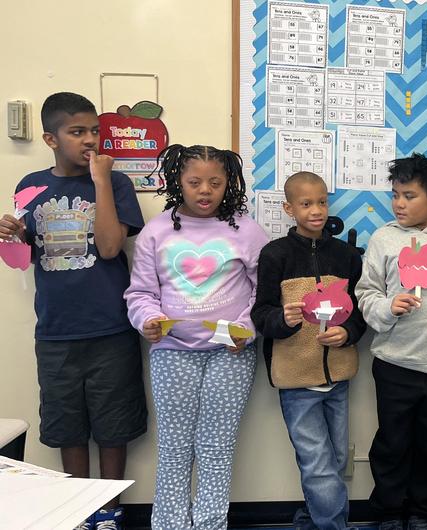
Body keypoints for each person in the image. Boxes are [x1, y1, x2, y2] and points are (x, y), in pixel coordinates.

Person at [0, 92, 147, 530]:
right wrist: (11, 234)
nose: (89, 140)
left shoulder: (115, 184)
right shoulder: (30, 185)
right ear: (50, 138)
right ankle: (78, 510)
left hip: (110, 329)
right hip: (56, 332)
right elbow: (23, 257)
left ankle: (111, 509)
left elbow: (108, 247)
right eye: (77, 132)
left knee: (113, 424)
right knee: (68, 427)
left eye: (95, 132)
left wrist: (102, 181)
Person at [124, 144, 268, 529]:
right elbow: (140, 292)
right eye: (194, 182)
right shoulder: (156, 231)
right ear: (177, 182)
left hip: (230, 354)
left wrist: (247, 329)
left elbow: (264, 291)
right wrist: (148, 318)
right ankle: (169, 525)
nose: (205, 190)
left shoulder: (248, 231)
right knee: (173, 448)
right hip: (172, 353)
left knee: (216, 448)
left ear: (229, 184)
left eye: (216, 182)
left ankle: (209, 525)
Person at [354, 153, 427, 530]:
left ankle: (423, 513)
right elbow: (365, 293)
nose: (399, 204)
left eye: (409, 196)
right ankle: (389, 513)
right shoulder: (383, 238)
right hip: (395, 362)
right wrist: (389, 306)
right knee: (392, 444)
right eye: (395, 195)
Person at [251, 171, 367, 530]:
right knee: (316, 463)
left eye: (321, 202)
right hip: (296, 379)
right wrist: (281, 320)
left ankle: (312, 518)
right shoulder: (275, 255)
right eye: (306, 203)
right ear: (289, 208)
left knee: (333, 459)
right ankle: (333, 526)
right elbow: (261, 313)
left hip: (339, 377)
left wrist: (347, 333)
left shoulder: (346, 256)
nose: (316, 210)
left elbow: (360, 313)